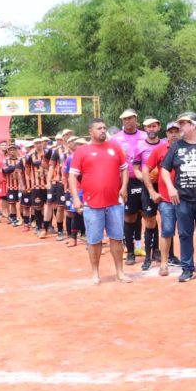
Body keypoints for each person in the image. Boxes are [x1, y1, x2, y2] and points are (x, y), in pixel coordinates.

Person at [69, 118, 130, 285]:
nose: (103, 131)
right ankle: (95, 273)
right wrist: (75, 198)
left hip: (115, 203)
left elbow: (124, 170)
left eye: (104, 128)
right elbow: (72, 176)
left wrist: (124, 187)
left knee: (117, 239)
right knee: (94, 241)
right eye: (99, 128)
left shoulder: (115, 147)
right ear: (91, 131)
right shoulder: (82, 151)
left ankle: (120, 272)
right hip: (91, 204)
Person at [160, 112, 196, 282]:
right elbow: (164, 169)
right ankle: (187, 268)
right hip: (182, 199)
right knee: (184, 234)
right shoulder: (176, 146)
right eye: (180, 123)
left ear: (194, 125)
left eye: (184, 123)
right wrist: (170, 188)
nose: (180, 127)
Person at [111, 108, 148, 265]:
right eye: (124, 119)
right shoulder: (115, 139)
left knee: (149, 216)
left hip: (146, 181)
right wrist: (120, 186)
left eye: (130, 118)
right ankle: (131, 251)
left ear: (136, 119)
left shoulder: (145, 136)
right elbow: (113, 163)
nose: (127, 121)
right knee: (129, 216)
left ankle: (153, 251)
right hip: (127, 181)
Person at [143, 122, 176, 276]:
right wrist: (151, 191)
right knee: (166, 231)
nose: (174, 134)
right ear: (167, 133)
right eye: (171, 131)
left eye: (177, 131)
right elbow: (145, 169)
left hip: (187, 199)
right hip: (166, 199)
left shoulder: (188, 148)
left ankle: (188, 263)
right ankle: (164, 263)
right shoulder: (160, 149)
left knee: (186, 232)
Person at [134, 117, 164, 271]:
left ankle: (166, 255)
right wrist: (145, 178)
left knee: (168, 220)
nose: (151, 129)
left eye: (154, 126)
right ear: (145, 129)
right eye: (148, 127)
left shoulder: (165, 144)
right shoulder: (139, 146)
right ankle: (148, 257)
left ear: (158, 127)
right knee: (150, 220)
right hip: (148, 186)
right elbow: (136, 168)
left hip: (164, 185)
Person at [24, 138, 49, 237]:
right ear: (34, 145)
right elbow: (27, 170)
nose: (38, 145)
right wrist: (31, 181)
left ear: (43, 143)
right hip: (36, 185)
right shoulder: (30, 156)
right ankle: (39, 226)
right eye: (36, 143)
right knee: (38, 206)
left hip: (48, 184)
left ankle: (48, 225)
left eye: (40, 143)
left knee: (49, 205)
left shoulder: (48, 153)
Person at [2, 143, 25, 227]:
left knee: (22, 203)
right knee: (12, 203)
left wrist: (13, 167)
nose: (12, 151)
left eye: (14, 149)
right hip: (11, 186)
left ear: (16, 150)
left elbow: (23, 169)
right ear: (8, 151)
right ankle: (14, 218)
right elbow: (5, 170)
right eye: (10, 150)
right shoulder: (6, 160)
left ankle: (24, 218)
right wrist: (16, 167)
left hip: (21, 185)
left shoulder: (21, 159)